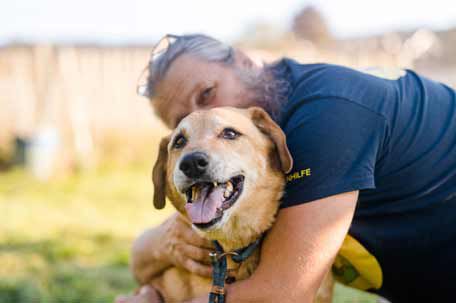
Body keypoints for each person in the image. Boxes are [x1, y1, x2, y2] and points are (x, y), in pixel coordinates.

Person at [118, 34, 456, 303]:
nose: (203, 142)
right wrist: (162, 244)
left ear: (246, 62)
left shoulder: (325, 118)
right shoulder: (256, 162)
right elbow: (143, 260)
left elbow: (283, 293)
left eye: (208, 93)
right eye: (183, 124)